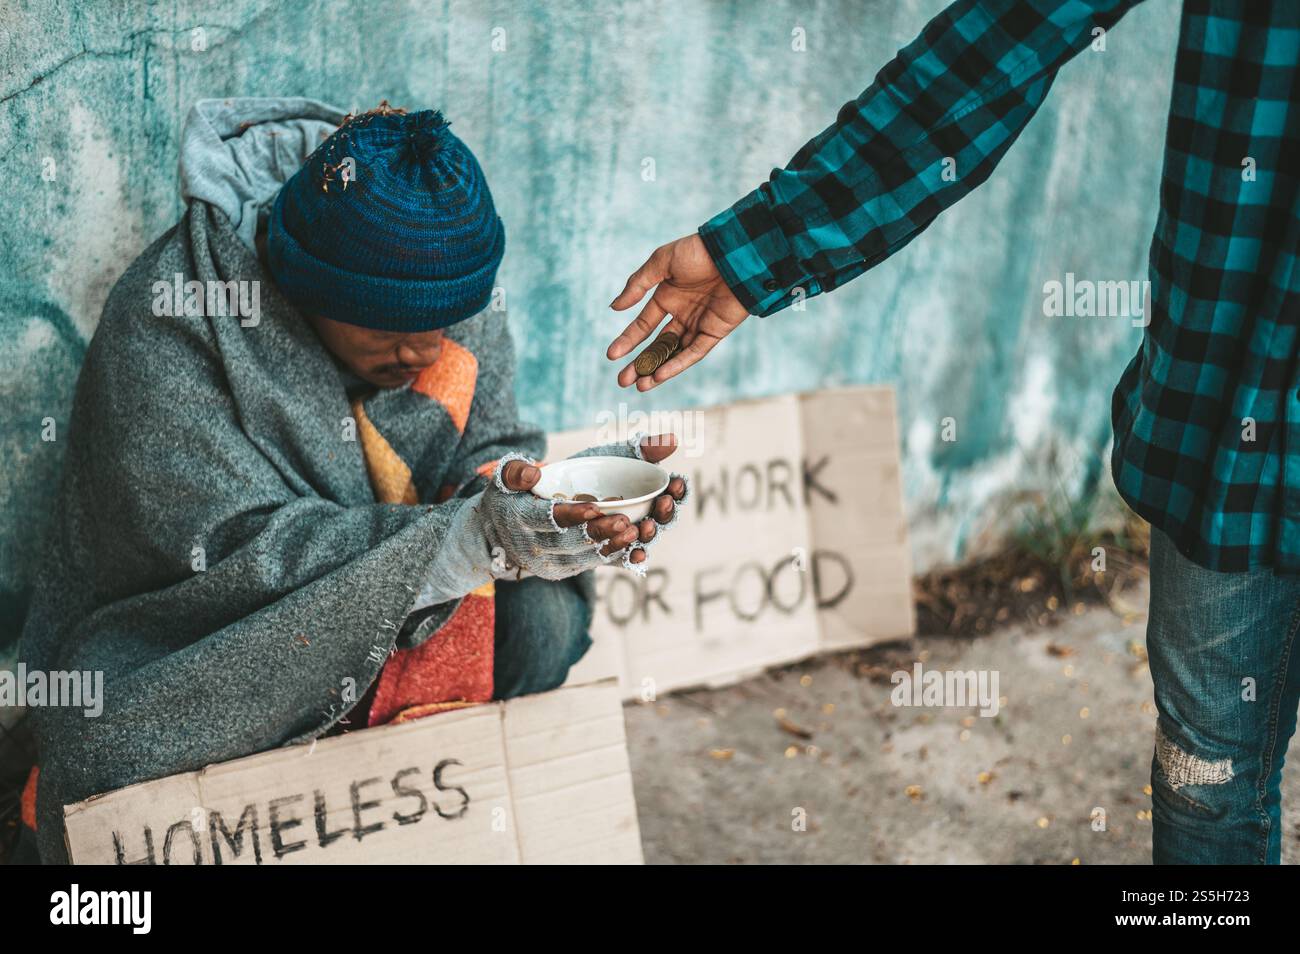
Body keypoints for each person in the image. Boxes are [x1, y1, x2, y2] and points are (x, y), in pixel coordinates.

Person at [608, 0, 1299, 864]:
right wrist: (760, 247)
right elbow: (1008, 32)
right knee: (1206, 775)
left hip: (1238, 407)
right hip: (1241, 408)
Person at [14, 98, 687, 864]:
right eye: (386, 327)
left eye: (443, 325)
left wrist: (549, 505)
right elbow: (230, 555)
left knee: (542, 620)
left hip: (400, 600)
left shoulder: (444, 276)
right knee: (124, 745)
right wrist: (464, 540)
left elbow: (495, 448)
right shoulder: (173, 319)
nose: (423, 352)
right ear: (304, 284)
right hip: (194, 642)